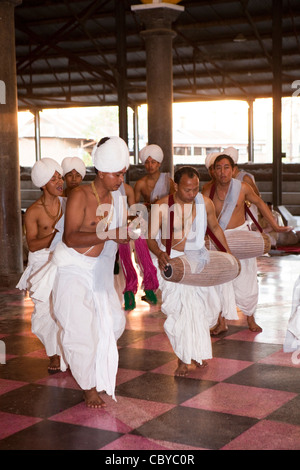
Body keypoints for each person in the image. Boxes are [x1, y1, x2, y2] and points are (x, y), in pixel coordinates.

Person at [29, 136, 134, 409]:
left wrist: (126, 233)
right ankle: (88, 386)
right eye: (116, 173)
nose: (120, 179)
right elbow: (71, 238)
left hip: (96, 271)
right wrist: (111, 234)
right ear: (100, 170)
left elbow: (110, 238)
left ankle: (94, 368)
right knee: (79, 329)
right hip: (72, 268)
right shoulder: (80, 195)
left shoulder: (116, 199)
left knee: (113, 322)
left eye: (123, 173)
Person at [147, 166, 236, 377]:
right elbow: (150, 238)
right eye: (187, 190)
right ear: (175, 186)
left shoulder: (204, 203)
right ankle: (183, 360)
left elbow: (215, 228)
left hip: (198, 261)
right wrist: (160, 254)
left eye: (195, 189)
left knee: (203, 310)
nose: (192, 194)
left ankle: (196, 354)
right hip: (174, 262)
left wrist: (228, 253)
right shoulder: (161, 206)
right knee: (181, 313)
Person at [202, 153, 292, 333]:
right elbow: (201, 217)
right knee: (219, 281)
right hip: (219, 238)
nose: (222, 172)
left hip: (241, 238)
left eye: (226, 167)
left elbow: (259, 203)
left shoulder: (242, 188)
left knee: (247, 278)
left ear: (233, 170)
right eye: (218, 168)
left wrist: (275, 225)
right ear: (213, 171)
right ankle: (221, 322)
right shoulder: (207, 191)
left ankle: (250, 318)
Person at [16, 158, 67, 373]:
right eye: (53, 178)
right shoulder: (33, 211)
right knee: (45, 311)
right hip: (42, 262)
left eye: (59, 176)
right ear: (43, 183)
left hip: (64, 260)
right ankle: (53, 355)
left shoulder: (68, 203)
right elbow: (33, 245)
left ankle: (68, 351)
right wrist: (55, 237)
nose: (59, 181)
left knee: (65, 308)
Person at [118, 182, 159, 310]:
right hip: (113, 228)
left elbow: (134, 212)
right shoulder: (96, 191)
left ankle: (148, 287)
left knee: (140, 242)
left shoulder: (127, 189)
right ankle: (134, 290)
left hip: (125, 226)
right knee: (127, 256)